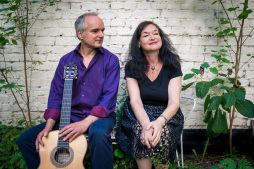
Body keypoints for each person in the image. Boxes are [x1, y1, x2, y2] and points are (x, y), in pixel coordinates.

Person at [17, 12, 120, 169]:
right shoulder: (66, 61)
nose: (101, 35)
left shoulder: (110, 60)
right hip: (69, 116)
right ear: (80, 34)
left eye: (102, 30)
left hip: (99, 117)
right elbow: (56, 95)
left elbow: (109, 98)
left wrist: (84, 124)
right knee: (26, 139)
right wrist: (48, 127)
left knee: (98, 133)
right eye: (95, 31)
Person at [116, 21, 184, 169]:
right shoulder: (132, 66)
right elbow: (135, 101)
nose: (152, 37)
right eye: (146, 35)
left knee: (163, 134)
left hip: (166, 113)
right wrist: (146, 125)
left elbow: (174, 102)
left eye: (155, 33)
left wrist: (159, 123)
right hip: (138, 113)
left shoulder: (173, 65)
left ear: (161, 38)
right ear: (139, 43)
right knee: (143, 134)